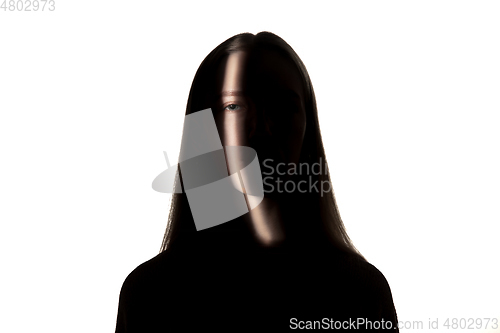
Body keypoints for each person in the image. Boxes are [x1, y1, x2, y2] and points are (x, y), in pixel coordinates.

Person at [115, 32, 399, 332]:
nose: (261, 130)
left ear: (308, 129)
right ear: (203, 128)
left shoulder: (359, 292)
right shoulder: (151, 294)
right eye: (234, 107)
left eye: (283, 107)